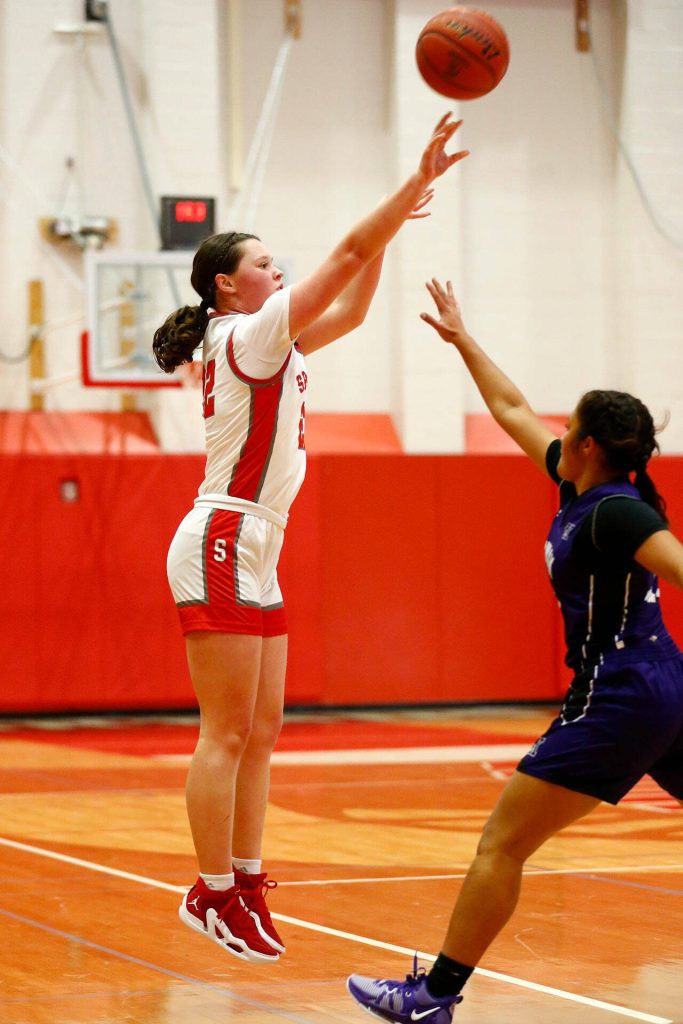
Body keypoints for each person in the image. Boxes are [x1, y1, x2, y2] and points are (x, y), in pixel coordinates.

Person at [152, 118, 468, 964]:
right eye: (263, 263)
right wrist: (409, 188)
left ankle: (247, 883)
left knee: (262, 729)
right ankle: (210, 891)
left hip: (257, 545)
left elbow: (353, 302)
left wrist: (390, 233)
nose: (277, 270)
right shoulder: (245, 332)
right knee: (225, 732)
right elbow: (345, 255)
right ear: (226, 286)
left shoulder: (268, 337)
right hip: (224, 535)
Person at [347, 278, 683, 1021]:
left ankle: (432, 997)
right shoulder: (579, 486)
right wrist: (462, 339)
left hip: (619, 695)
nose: (555, 430)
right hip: (662, 685)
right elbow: (509, 408)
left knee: (500, 844)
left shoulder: (617, 513)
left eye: (569, 425)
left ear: (588, 446)